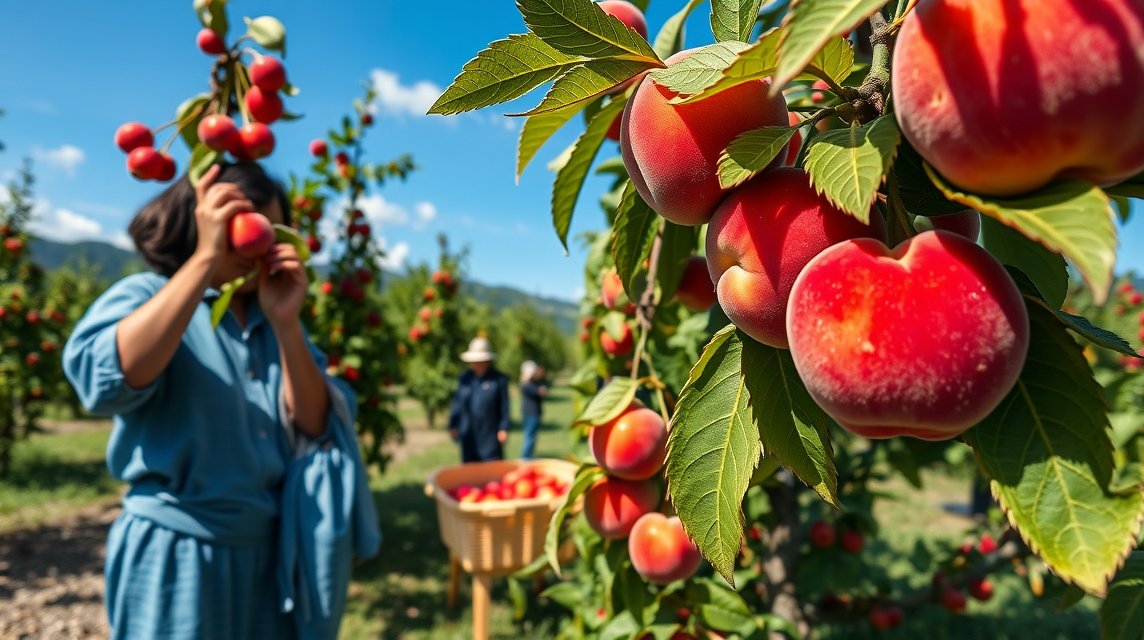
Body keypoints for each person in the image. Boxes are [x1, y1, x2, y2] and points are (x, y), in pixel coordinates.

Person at [62, 163, 376, 640]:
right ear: (204, 219)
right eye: (243, 229)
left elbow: (315, 427)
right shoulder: (151, 295)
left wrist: (287, 324)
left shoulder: (272, 323)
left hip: (267, 554)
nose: (256, 247)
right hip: (178, 551)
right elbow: (106, 383)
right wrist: (204, 260)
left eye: (270, 236)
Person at [448, 337, 511, 463]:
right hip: (469, 432)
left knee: (491, 469)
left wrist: (503, 427)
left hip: (490, 432)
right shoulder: (465, 379)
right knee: (471, 469)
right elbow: (458, 402)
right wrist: (453, 424)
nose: (478, 363)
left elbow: (504, 406)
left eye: (481, 360)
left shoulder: (498, 380)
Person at [518, 360, 548, 460]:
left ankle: (528, 454)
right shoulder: (527, 384)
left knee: (531, 435)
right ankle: (526, 456)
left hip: (530, 412)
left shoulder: (530, 383)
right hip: (532, 413)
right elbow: (542, 392)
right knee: (530, 435)